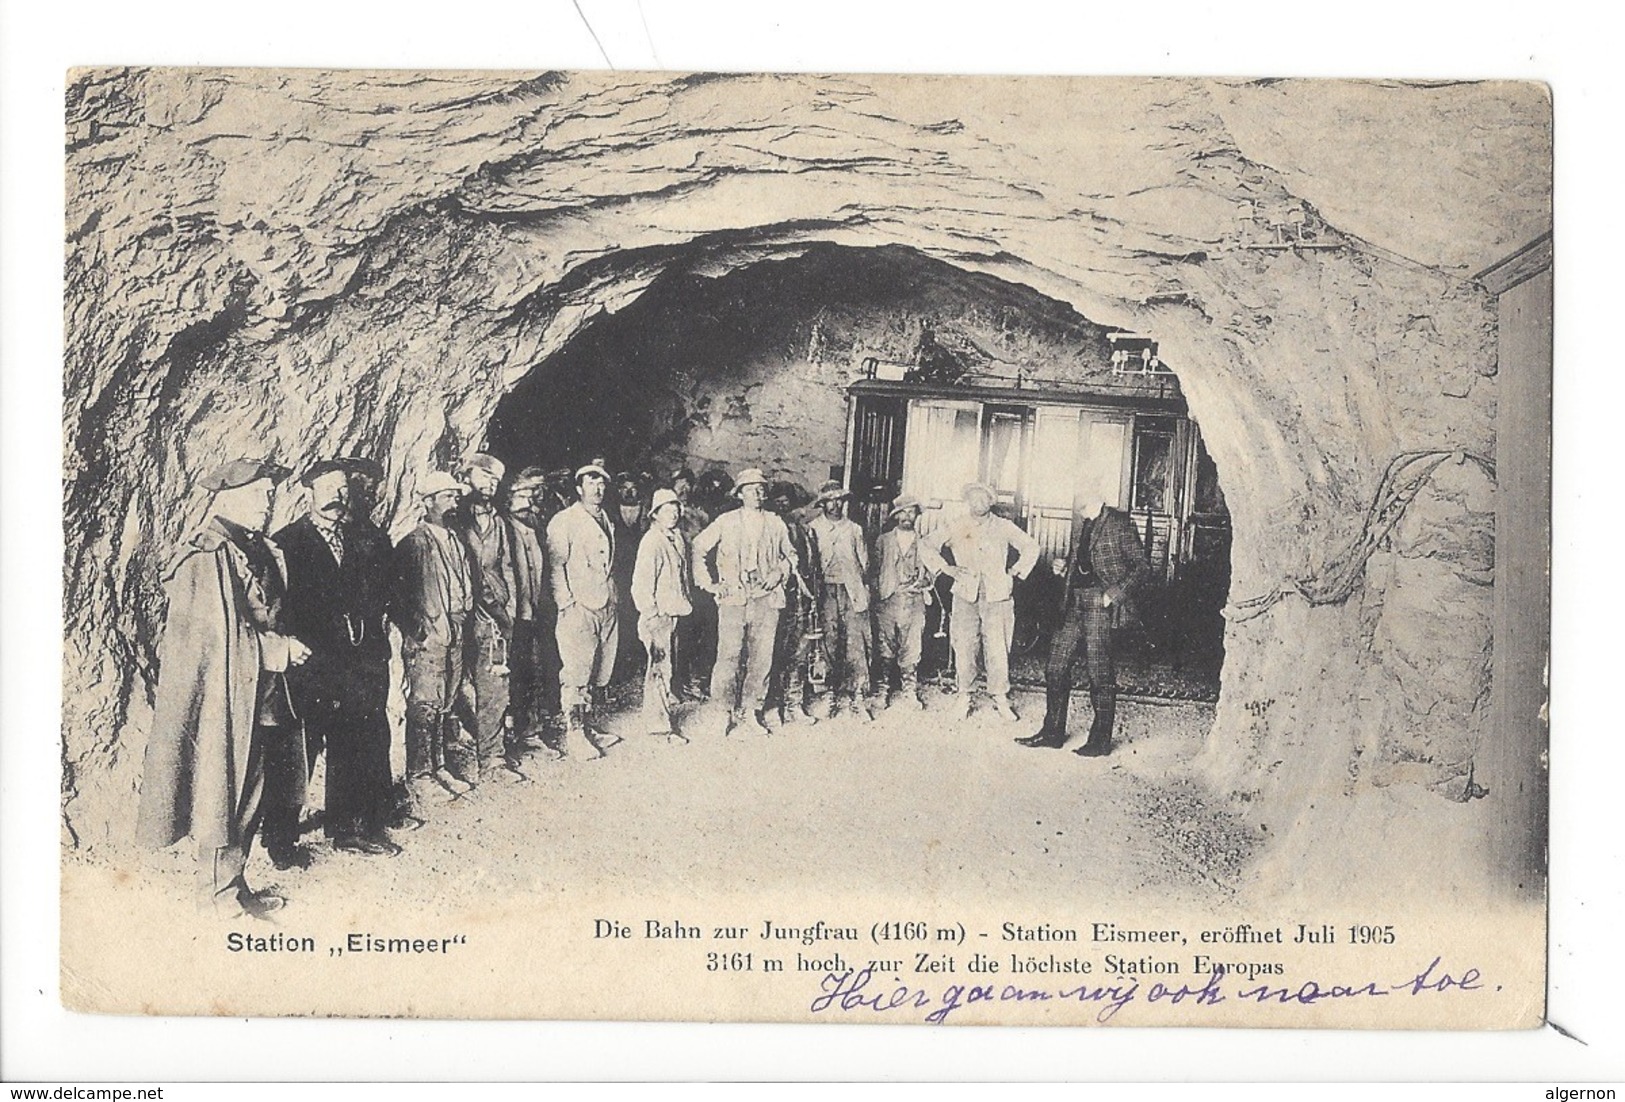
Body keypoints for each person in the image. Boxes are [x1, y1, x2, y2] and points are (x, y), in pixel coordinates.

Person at [136, 458, 312, 918]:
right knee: (226, 793)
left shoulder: (255, 548)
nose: (268, 503)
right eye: (260, 495)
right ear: (230, 497)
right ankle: (216, 897)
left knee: (253, 793)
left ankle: (234, 886)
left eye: (271, 494)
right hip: (229, 697)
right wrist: (274, 649)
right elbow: (212, 639)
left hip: (263, 694)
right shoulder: (206, 556)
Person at [271, 460, 400, 858]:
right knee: (298, 749)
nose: (337, 496)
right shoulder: (287, 542)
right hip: (309, 663)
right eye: (328, 488)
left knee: (351, 741)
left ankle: (347, 829)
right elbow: (277, 603)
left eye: (342, 489)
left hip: (352, 662)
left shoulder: (357, 539)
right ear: (308, 492)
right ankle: (279, 839)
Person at [1018, 498, 1150, 756]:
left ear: (1098, 494)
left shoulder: (1119, 523)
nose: (1079, 496)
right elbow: (1080, 562)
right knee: (1055, 667)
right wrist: (1063, 567)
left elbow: (1142, 567)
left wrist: (1113, 594)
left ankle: (1100, 742)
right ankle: (1052, 732)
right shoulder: (1082, 523)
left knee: (1099, 673)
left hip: (1100, 603)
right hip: (1073, 602)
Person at [691, 468, 800, 737]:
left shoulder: (775, 523)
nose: (757, 493)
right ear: (739, 494)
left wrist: (779, 572)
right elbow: (698, 547)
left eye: (761, 488)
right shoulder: (726, 521)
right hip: (733, 599)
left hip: (766, 598)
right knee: (728, 656)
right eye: (750, 489)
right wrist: (709, 583)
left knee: (761, 657)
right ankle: (723, 712)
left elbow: (792, 555)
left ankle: (752, 711)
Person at [393, 472, 478, 810]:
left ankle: (439, 765)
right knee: (424, 705)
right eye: (445, 498)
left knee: (446, 699)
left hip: (455, 629)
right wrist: (419, 629)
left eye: (455, 498)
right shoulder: (414, 542)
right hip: (430, 635)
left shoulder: (456, 540)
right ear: (427, 503)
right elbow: (398, 595)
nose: (453, 504)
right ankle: (419, 774)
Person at [923, 482, 1040, 722]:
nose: (978, 503)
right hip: (965, 594)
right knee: (964, 645)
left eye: (983, 498)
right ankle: (964, 695)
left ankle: (1000, 697)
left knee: (997, 646)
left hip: (997, 596)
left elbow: (1031, 547)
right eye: (973, 499)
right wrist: (946, 569)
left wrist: (1016, 570)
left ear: (991, 501)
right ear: (967, 502)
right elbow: (926, 544)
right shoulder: (957, 525)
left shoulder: (1004, 526)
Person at [448, 453, 524, 784]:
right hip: (458, 612)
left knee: (494, 685)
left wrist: (511, 608)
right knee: (450, 686)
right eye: (484, 477)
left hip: (493, 614)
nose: (490, 485)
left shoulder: (498, 520)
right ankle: (447, 756)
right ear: (467, 477)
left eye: (495, 480)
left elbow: (506, 565)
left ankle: (493, 759)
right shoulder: (452, 516)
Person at [546, 462, 623, 758]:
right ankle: (574, 733)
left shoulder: (606, 518)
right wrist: (566, 602)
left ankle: (588, 727)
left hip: (606, 603)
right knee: (576, 670)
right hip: (579, 605)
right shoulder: (565, 520)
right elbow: (555, 566)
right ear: (579, 488)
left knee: (597, 669)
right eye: (592, 484)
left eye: (602, 484)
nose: (598, 489)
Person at [805, 480, 874, 720]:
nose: (836, 505)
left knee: (857, 642)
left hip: (851, 590)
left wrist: (859, 586)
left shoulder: (854, 529)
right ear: (823, 504)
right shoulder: (812, 528)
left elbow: (864, 563)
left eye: (840, 500)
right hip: (824, 591)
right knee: (827, 641)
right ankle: (828, 694)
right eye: (830, 500)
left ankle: (857, 695)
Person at [631, 488, 693, 740]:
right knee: (659, 670)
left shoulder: (676, 537)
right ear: (654, 514)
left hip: (673, 612)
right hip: (658, 615)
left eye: (675, 509)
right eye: (667, 510)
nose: (673, 514)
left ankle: (662, 716)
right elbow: (641, 583)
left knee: (667, 668)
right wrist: (651, 613)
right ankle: (659, 727)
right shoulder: (652, 541)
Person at [503, 468, 556, 757]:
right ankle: (508, 736)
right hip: (510, 617)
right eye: (520, 495)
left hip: (533, 613)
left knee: (533, 671)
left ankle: (531, 731)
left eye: (529, 495)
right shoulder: (502, 528)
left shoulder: (533, 527)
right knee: (511, 676)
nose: (527, 501)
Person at [766, 481, 823, 727]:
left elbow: (813, 567)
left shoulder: (806, 531)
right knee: (771, 655)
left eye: (786, 499)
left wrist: (813, 599)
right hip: (775, 601)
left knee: (799, 654)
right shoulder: (768, 529)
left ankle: (794, 704)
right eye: (777, 499)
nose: (782, 503)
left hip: (801, 601)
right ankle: (771, 706)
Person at [874, 494, 937, 710]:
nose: (907, 516)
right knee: (885, 645)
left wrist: (923, 583)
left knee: (912, 646)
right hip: (888, 600)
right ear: (896, 515)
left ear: (917, 515)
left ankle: (909, 690)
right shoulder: (883, 540)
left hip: (914, 600)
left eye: (912, 511)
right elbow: (873, 569)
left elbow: (933, 573)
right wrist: (879, 591)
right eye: (903, 512)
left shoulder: (925, 543)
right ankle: (882, 690)